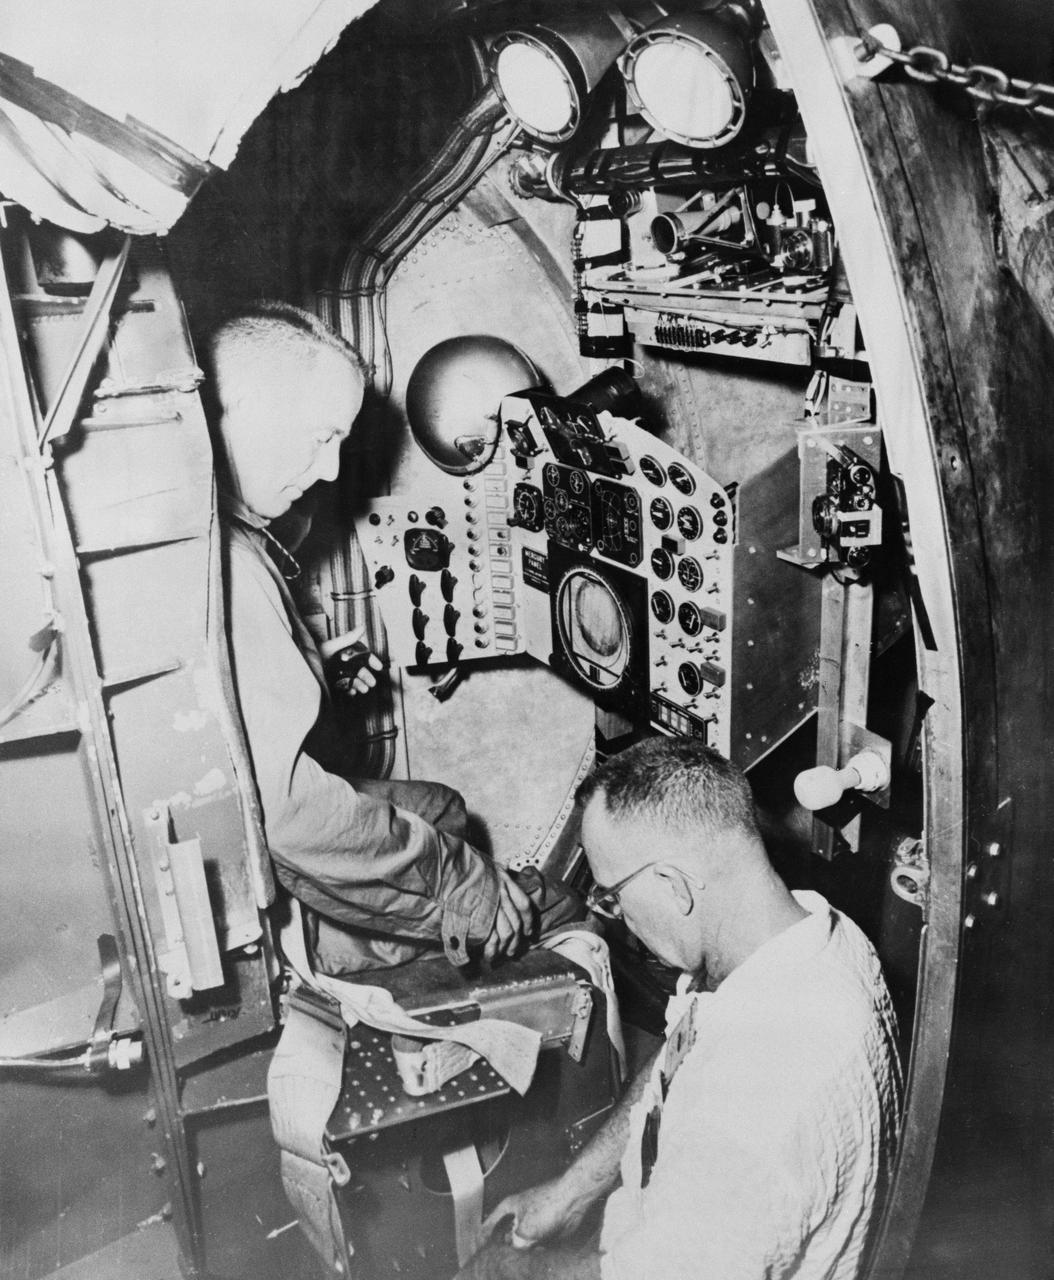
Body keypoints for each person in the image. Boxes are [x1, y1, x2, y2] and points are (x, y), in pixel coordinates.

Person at [457, 737, 902, 1280]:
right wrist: (570, 1194)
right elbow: (679, 1054)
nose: (615, 916)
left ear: (674, 885)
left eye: (613, 896)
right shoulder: (796, 933)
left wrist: (502, 1272)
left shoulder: (753, 1106)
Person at [204, 301, 543, 974]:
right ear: (243, 405)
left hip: (254, 831)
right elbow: (295, 815)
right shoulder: (234, 567)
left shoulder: (224, 529)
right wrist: (462, 884)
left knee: (443, 810)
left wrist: (313, 668)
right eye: (321, 436)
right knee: (520, 899)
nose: (331, 470)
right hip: (266, 854)